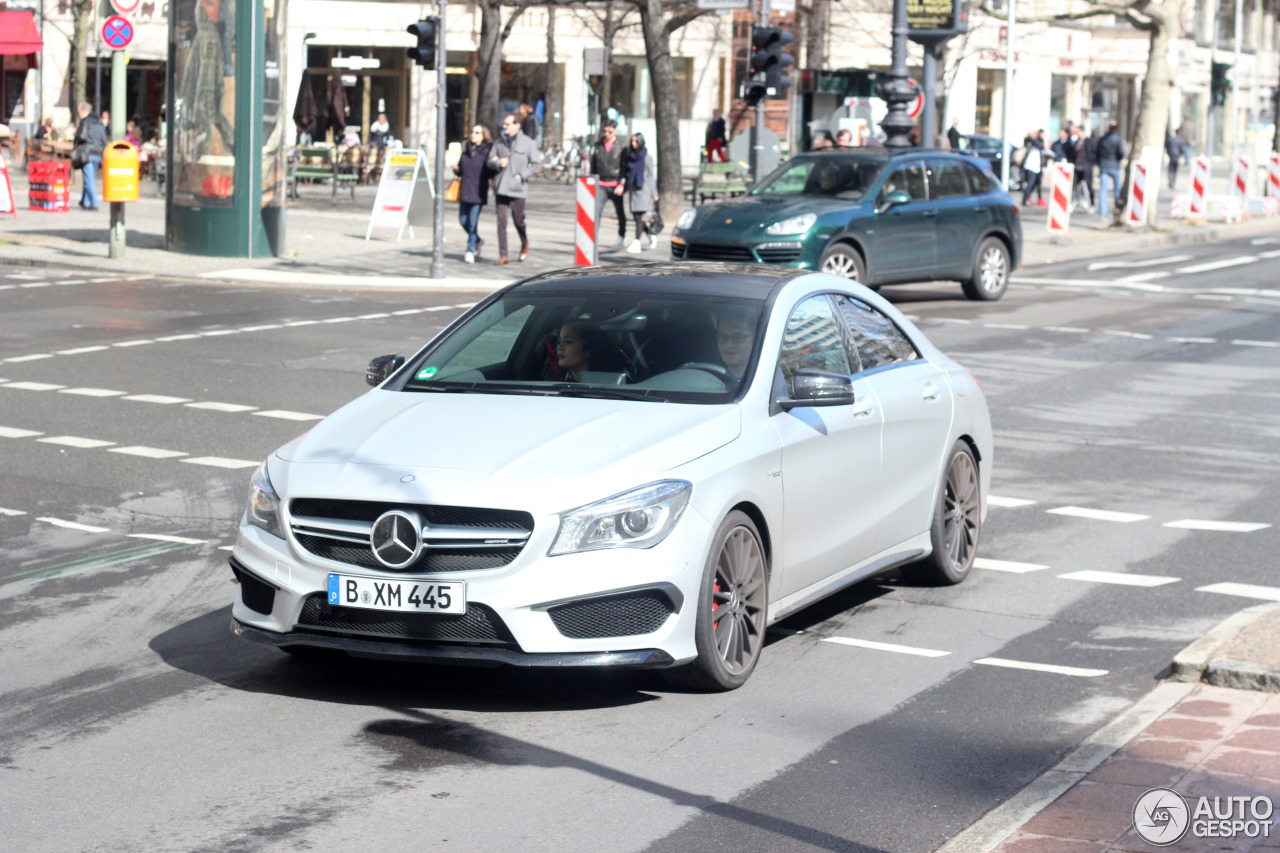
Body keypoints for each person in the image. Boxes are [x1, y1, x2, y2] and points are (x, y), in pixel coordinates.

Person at [487, 112, 541, 265]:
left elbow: (537, 165)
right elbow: (489, 160)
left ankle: (524, 243)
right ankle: (503, 255)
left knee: (519, 221)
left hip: (517, 188)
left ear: (517, 125)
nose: (504, 127)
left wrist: (522, 175)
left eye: (507, 124)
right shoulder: (499, 142)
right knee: (501, 222)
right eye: (504, 124)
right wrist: (497, 163)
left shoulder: (528, 142)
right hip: (501, 187)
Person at [454, 124, 492, 264]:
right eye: (472, 132)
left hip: (479, 191)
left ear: (483, 135)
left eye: (477, 132)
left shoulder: (487, 151)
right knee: (463, 221)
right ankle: (477, 240)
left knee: (473, 221)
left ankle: (469, 250)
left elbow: (490, 171)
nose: (473, 135)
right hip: (465, 190)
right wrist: (456, 169)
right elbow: (461, 170)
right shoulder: (466, 150)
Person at [590, 119, 628, 250]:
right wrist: (592, 181)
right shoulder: (598, 145)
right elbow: (593, 165)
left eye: (610, 132)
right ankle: (593, 237)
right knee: (596, 211)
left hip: (615, 183)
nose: (607, 134)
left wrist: (621, 184)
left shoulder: (622, 146)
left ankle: (621, 236)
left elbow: (624, 167)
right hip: (601, 183)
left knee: (620, 212)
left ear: (615, 131)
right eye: (605, 131)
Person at [623, 132, 658, 254]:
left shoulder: (647, 157)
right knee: (635, 217)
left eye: (636, 141)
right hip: (633, 189)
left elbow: (651, 176)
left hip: (643, 190)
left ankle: (637, 242)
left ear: (641, 142)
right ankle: (651, 234)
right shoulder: (631, 156)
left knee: (638, 217)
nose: (634, 144)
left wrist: (654, 194)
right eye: (632, 141)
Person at [73, 101, 109, 211]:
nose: (78, 114)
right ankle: (84, 200)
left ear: (83, 111)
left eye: (79, 111)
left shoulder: (85, 122)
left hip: (87, 153)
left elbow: (82, 136)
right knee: (89, 177)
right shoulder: (99, 123)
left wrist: (76, 135)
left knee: (89, 179)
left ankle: (94, 203)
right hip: (97, 153)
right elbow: (104, 140)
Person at [714, 308, 755, 383]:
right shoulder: (708, 379)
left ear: (755, 339)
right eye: (723, 337)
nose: (728, 345)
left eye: (737, 337)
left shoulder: (770, 379)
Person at [1096, 121, 1125, 218]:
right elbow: (1121, 153)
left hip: (1104, 166)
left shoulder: (1102, 139)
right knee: (1117, 189)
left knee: (1103, 189)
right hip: (1115, 166)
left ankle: (1103, 212)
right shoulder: (1118, 139)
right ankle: (1116, 209)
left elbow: (1097, 153)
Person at [1073, 125, 1096, 211]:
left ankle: (1092, 203)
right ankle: (1075, 201)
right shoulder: (1076, 142)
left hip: (1086, 166)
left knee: (1089, 185)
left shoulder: (1089, 141)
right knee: (1075, 185)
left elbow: (1094, 152)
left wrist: (1092, 163)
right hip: (1077, 166)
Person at [1020, 135, 1043, 207]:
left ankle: (1028, 198)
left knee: (1034, 185)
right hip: (1031, 168)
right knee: (1030, 184)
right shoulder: (1032, 148)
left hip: (1036, 168)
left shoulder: (1037, 147)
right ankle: (1025, 200)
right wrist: (1030, 137)